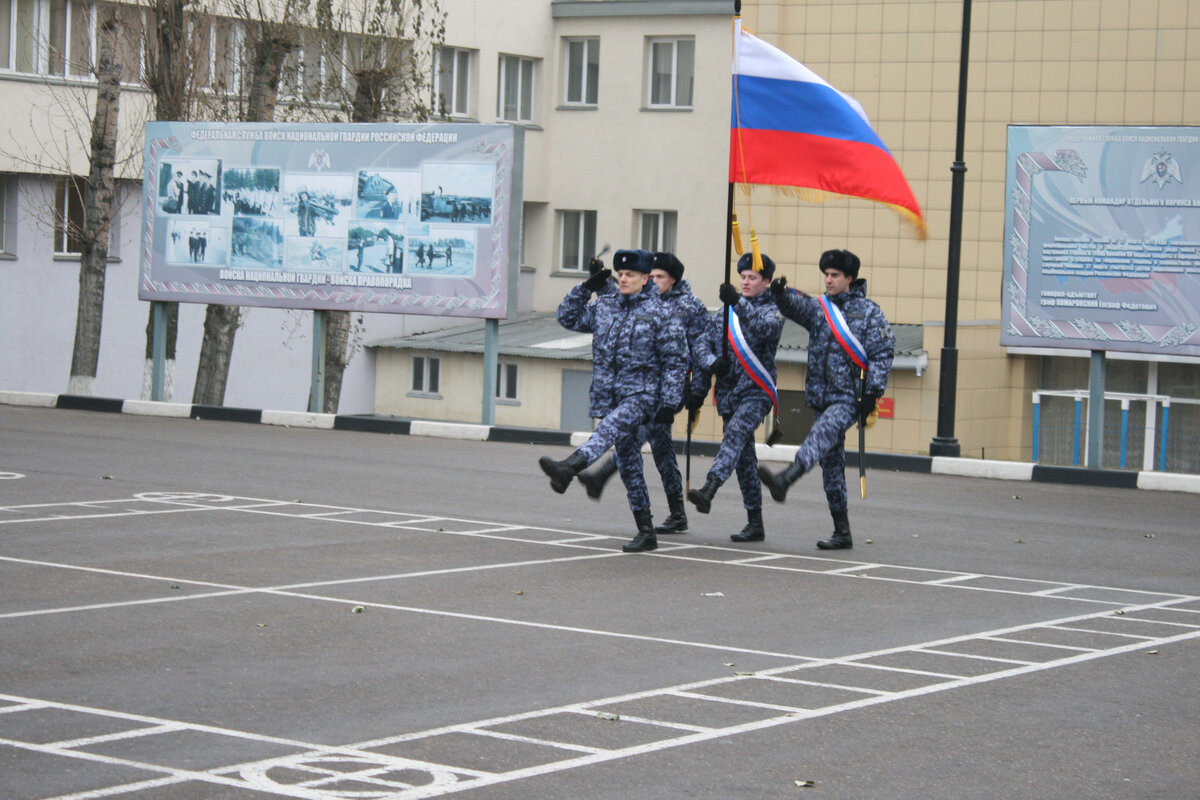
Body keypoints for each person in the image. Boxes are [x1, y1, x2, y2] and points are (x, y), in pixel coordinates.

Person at [537, 249, 688, 553]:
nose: (623, 279)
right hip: (611, 394)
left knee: (608, 430)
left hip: (644, 395)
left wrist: (670, 403)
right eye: (620, 274)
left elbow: (676, 362)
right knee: (630, 463)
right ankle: (646, 531)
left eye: (630, 275)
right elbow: (566, 316)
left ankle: (570, 467)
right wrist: (586, 287)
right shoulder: (606, 306)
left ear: (646, 279)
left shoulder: (662, 313)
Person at [758, 249, 895, 550]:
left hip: (849, 397)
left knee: (818, 437)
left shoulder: (870, 313)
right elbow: (798, 307)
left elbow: (883, 354)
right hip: (821, 395)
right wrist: (781, 295)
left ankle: (786, 479)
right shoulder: (820, 309)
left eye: (834, 275)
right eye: (826, 275)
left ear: (849, 278)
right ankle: (841, 531)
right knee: (831, 465)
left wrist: (872, 393)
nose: (829, 280)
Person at [576, 252, 719, 537]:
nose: (653, 280)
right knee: (662, 449)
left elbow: (703, 346)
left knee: (639, 431)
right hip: (642, 386)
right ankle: (677, 514)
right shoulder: (646, 301)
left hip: (672, 386)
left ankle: (602, 474)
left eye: (658, 277)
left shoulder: (690, 307)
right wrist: (601, 276)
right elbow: (616, 302)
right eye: (650, 276)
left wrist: (697, 391)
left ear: (673, 280)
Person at [687, 252, 784, 543]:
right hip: (729, 393)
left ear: (766, 281)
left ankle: (709, 488)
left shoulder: (773, 309)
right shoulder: (726, 312)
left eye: (752, 277)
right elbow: (703, 343)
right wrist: (713, 363)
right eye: (742, 276)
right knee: (743, 459)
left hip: (756, 391)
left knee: (736, 435)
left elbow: (764, 329)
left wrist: (737, 303)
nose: (745, 281)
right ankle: (755, 522)